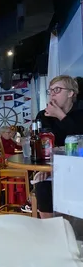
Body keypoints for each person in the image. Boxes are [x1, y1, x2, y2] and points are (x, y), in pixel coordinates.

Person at [34, 75, 83, 218]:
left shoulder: (81, 111)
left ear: (70, 93)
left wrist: (60, 116)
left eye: (57, 89)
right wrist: (47, 170)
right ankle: (51, 232)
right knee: (42, 185)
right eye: (50, 91)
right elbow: (44, 144)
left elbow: (79, 138)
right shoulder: (43, 116)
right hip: (54, 168)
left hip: (79, 167)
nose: (53, 94)